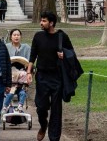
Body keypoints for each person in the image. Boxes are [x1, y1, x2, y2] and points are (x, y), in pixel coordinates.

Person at [27, 11, 74, 141]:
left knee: (56, 109)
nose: (41, 23)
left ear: (51, 23)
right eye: (41, 20)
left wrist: (64, 54)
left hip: (57, 77)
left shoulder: (62, 36)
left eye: (44, 21)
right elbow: (32, 56)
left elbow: (71, 53)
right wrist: (29, 72)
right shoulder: (38, 36)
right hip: (42, 76)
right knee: (41, 107)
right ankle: (43, 125)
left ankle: (54, 137)